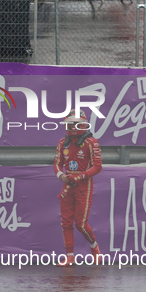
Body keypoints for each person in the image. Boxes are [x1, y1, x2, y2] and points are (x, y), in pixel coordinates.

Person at [54, 109, 102, 266]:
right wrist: (61, 175)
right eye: (69, 124)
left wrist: (80, 176)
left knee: (80, 224)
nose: (72, 127)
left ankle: (94, 248)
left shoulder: (91, 142)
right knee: (66, 222)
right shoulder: (63, 142)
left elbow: (98, 167)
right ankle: (69, 256)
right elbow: (57, 164)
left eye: (75, 124)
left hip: (83, 185)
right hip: (67, 185)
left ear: (82, 124)